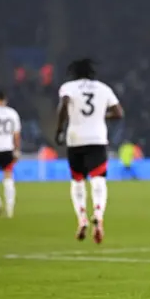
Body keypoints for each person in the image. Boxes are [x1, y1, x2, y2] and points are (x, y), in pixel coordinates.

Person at [55, 58, 124, 244]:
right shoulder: (103, 88)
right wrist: (101, 116)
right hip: (97, 139)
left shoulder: (68, 87)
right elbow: (119, 113)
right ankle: (99, 215)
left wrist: (60, 129)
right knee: (98, 179)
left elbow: (64, 105)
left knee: (77, 180)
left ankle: (82, 218)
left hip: (75, 138)